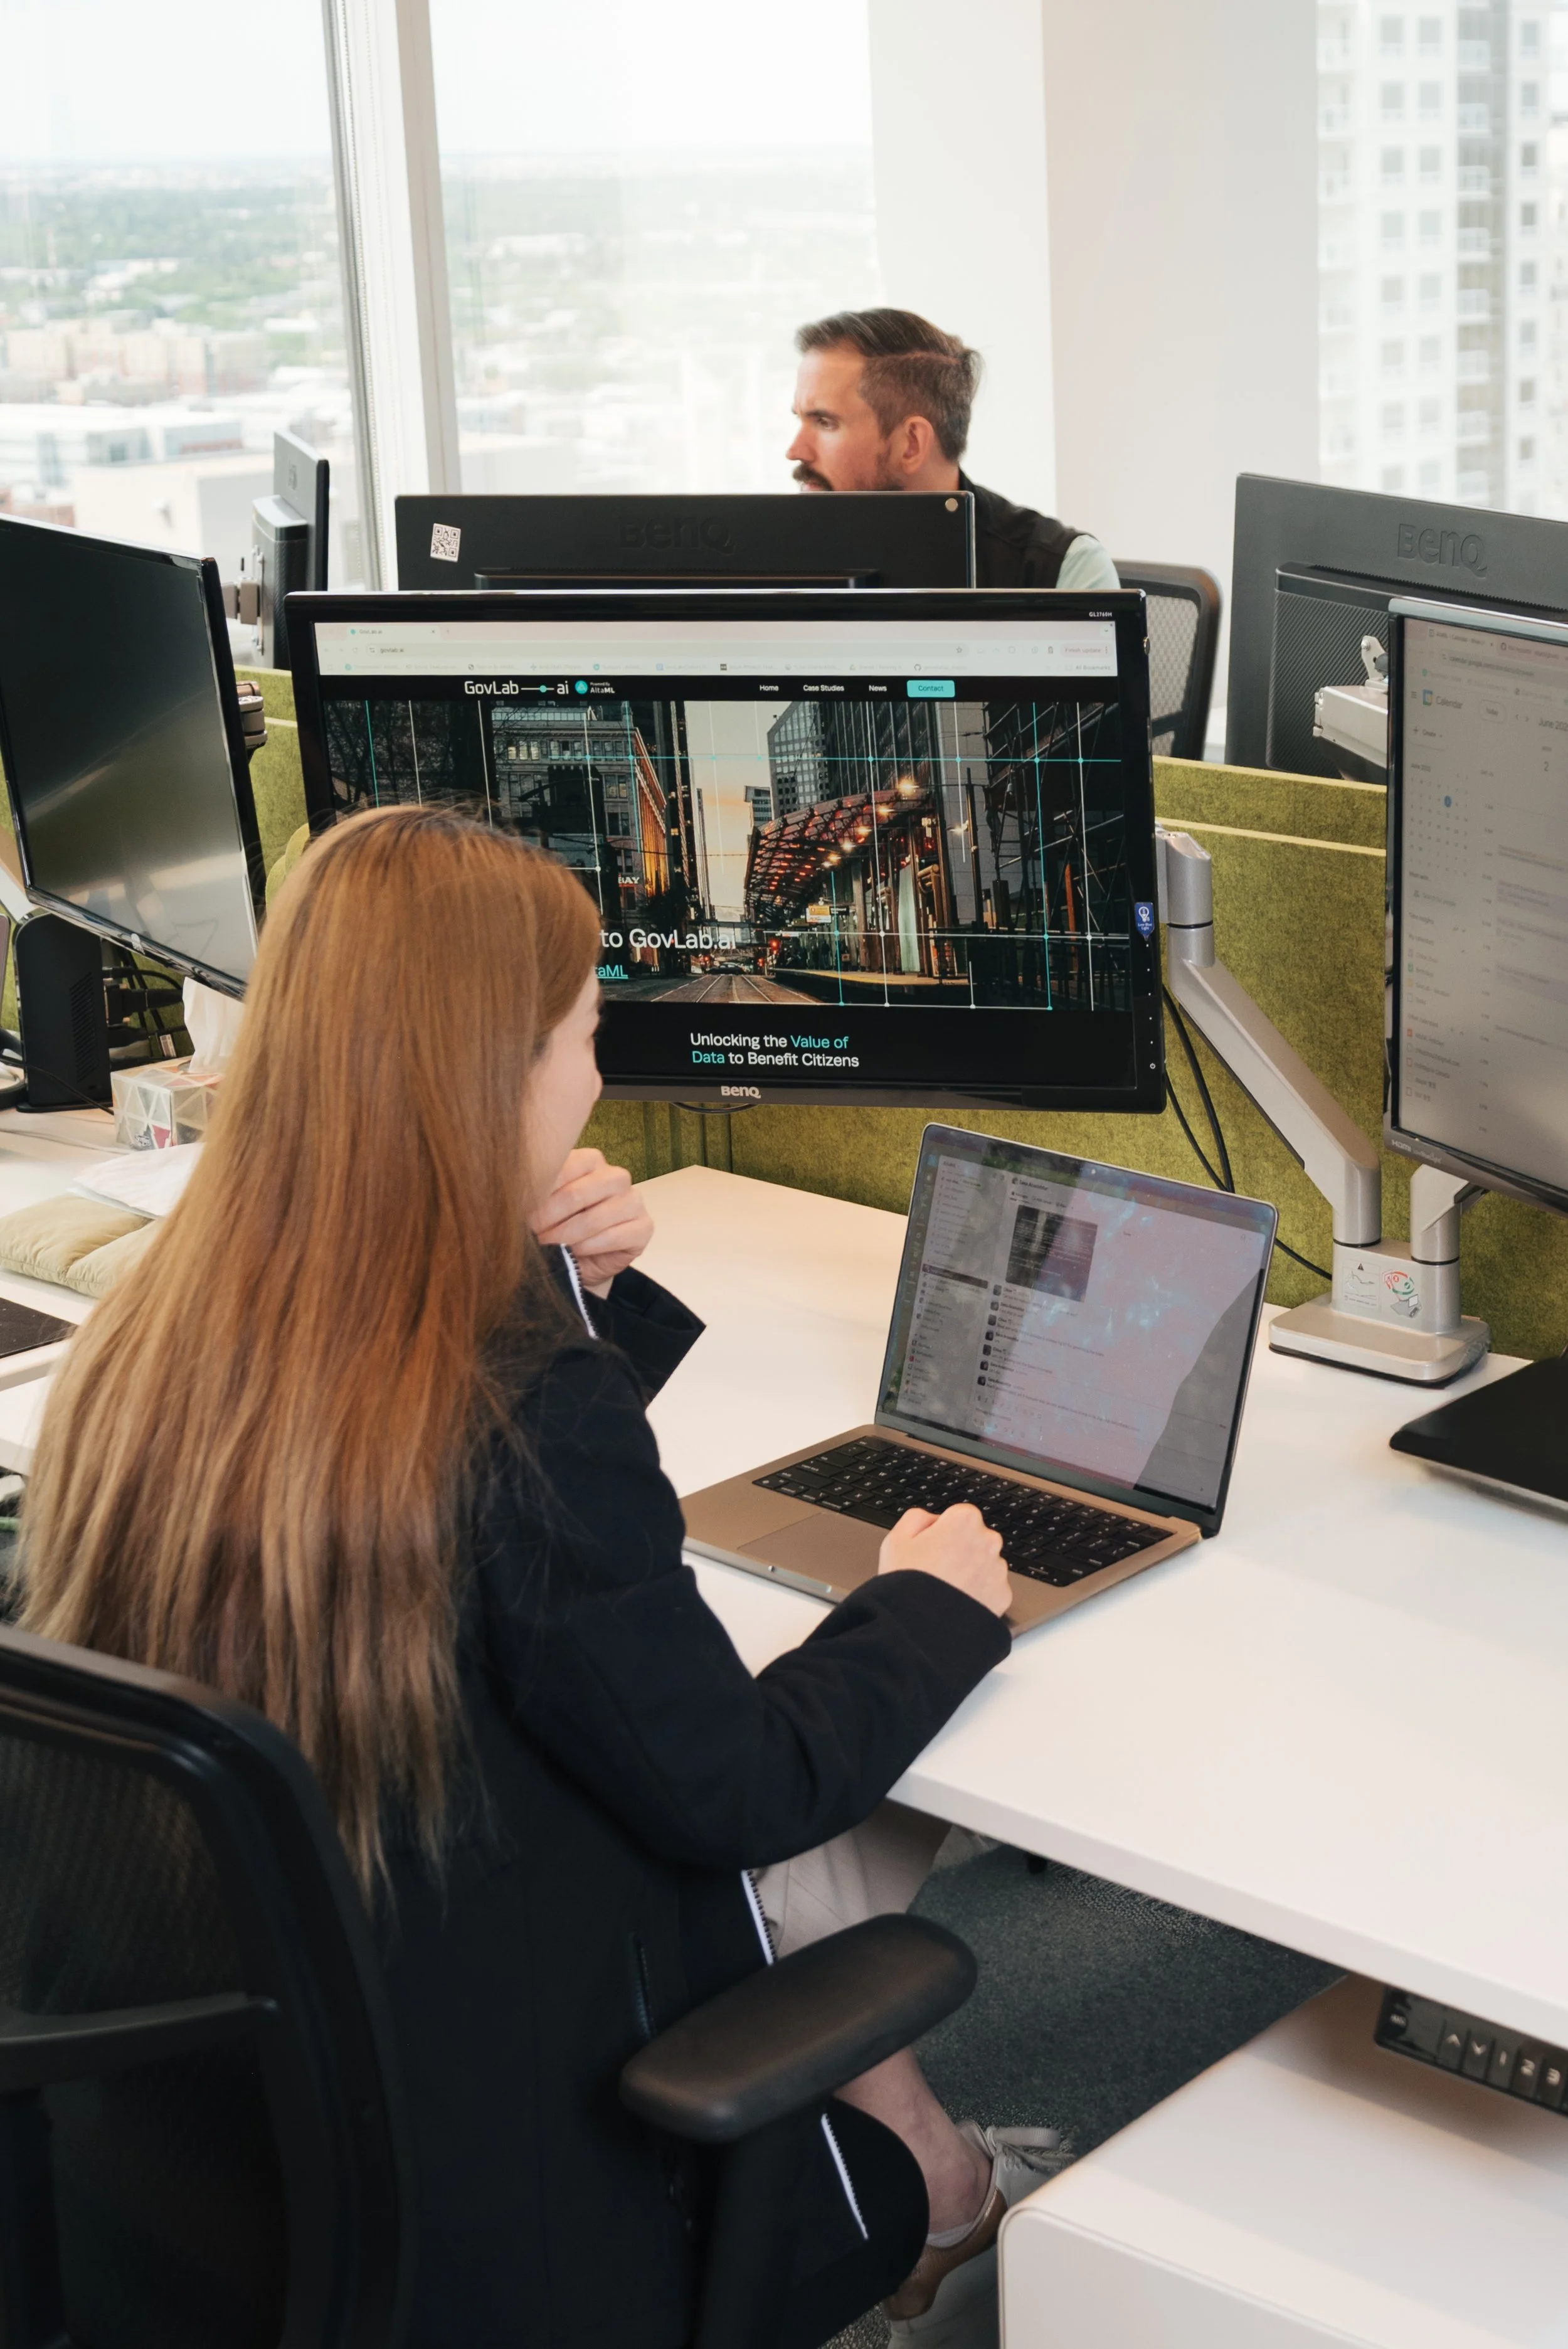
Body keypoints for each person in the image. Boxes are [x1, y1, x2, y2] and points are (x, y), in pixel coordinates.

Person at [16, 803, 1034, 2349]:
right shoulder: (519, 1402)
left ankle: (944, 2181)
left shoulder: (154, 1336)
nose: (601, 1073)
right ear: (486, 1071)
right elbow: (738, 1788)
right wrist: (930, 1606)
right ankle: (939, 2202)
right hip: (526, 2205)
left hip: (196, 2180)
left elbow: (437, 1504)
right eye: (583, 1033)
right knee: (840, 1828)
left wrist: (576, 1305)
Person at [787, 305, 1120, 592]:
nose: (796, 450)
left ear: (911, 444)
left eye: (825, 422)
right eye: (800, 419)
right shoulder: (781, 558)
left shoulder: (1062, 571)